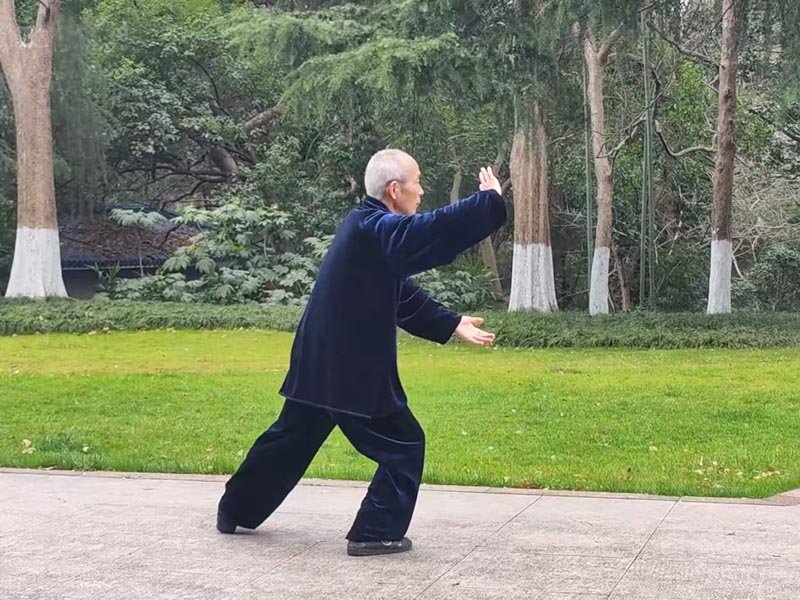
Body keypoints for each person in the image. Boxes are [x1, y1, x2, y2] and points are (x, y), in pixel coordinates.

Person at [216, 149, 507, 556]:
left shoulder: (364, 227)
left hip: (318, 363)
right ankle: (375, 532)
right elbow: (427, 231)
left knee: (290, 439)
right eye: (417, 182)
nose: (422, 191)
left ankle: (236, 510)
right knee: (403, 444)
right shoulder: (375, 227)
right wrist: (487, 202)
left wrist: (451, 322)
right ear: (395, 190)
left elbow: (398, 292)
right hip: (350, 369)